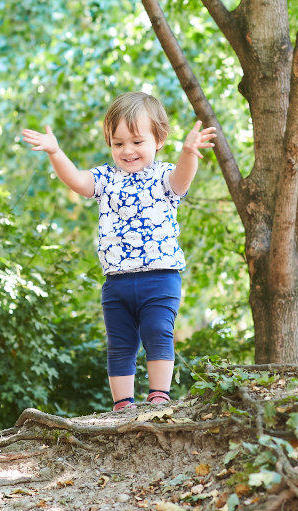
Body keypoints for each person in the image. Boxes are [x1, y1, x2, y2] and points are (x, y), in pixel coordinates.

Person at [21, 92, 216, 411]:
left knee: (157, 331)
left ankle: (158, 396)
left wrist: (190, 153)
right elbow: (78, 181)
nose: (127, 151)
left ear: (159, 139)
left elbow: (182, 179)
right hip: (117, 283)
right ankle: (123, 404)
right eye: (118, 143)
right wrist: (56, 152)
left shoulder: (164, 177)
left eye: (137, 142)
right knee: (120, 343)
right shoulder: (105, 178)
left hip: (160, 278)